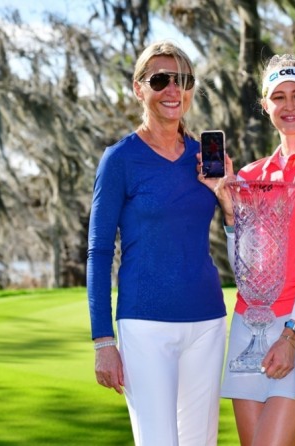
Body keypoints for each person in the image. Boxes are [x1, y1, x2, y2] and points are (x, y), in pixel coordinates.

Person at [202, 54, 295, 446]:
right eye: (279, 97)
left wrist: (292, 334)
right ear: (265, 104)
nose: (289, 106)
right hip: (250, 324)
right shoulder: (251, 175)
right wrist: (230, 213)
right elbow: (248, 269)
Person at [86, 41, 227, 446]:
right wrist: (103, 341)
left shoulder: (206, 159)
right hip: (145, 324)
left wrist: (227, 199)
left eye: (182, 80)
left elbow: (241, 236)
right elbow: (98, 252)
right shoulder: (119, 159)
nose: (172, 90)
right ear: (138, 88)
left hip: (207, 323)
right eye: (160, 79)